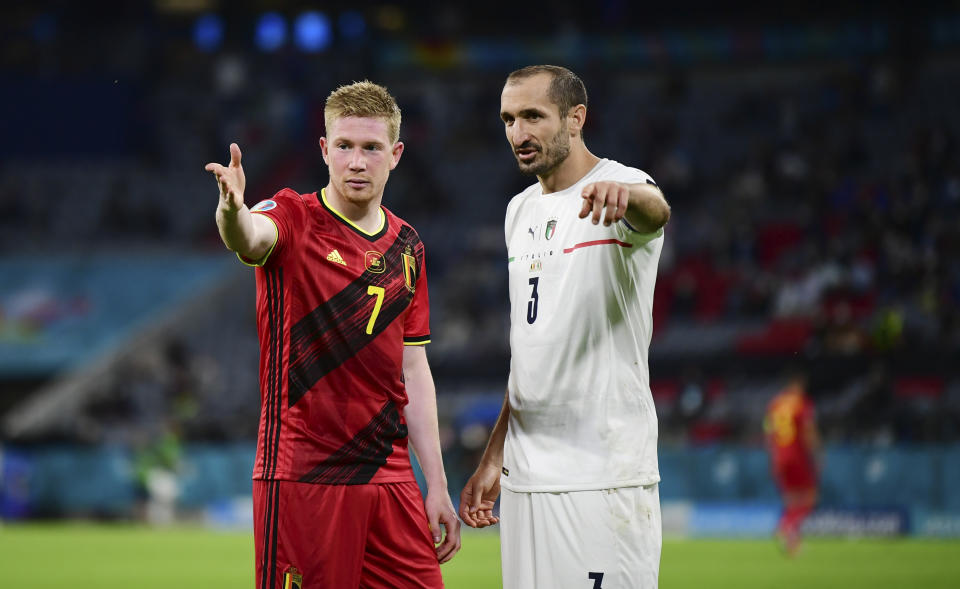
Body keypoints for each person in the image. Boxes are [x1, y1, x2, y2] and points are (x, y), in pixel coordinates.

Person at [204, 80, 460, 589]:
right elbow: (250, 237)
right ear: (324, 150)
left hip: (388, 475)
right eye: (344, 146)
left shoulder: (407, 246)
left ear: (396, 154)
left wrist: (436, 483)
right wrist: (233, 210)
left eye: (371, 148)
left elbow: (413, 368)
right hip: (303, 472)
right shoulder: (294, 217)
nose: (357, 162)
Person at [459, 65, 671, 588]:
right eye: (509, 119)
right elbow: (530, 350)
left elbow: (656, 212)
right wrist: (495, 454)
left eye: (533, 116)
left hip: (602, 474)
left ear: (576, 119)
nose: (518, 133)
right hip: (527, 477)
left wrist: (630, 198)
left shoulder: (621, 187)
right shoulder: (519, 211)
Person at [764, 369, 821, 556]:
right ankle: (785, 526)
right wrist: (817, 454)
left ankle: (792, 543)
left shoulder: (774, 404)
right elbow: (808, 431)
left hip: (778, 456)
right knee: (810, 497)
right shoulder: (802, 404)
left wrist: (773, 456)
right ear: (798, 385)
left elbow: (768, 432)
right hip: (797, 456)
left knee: (790, 500)